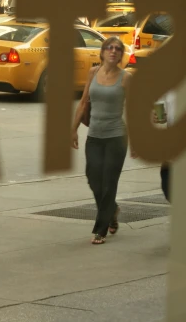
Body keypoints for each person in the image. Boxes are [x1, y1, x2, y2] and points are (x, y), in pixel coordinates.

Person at [72, 36, 131, 245]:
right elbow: (83, 102)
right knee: (93, 178)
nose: (113, 51)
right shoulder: (93, 73)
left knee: (109, 183)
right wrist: (73, 129)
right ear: (103, 52)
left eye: (117, 49)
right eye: (109, 48)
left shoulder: (126, 77)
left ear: (121, 54)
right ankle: (112, 209)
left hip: (117, 137)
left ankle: (101, 228)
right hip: (94, 136)